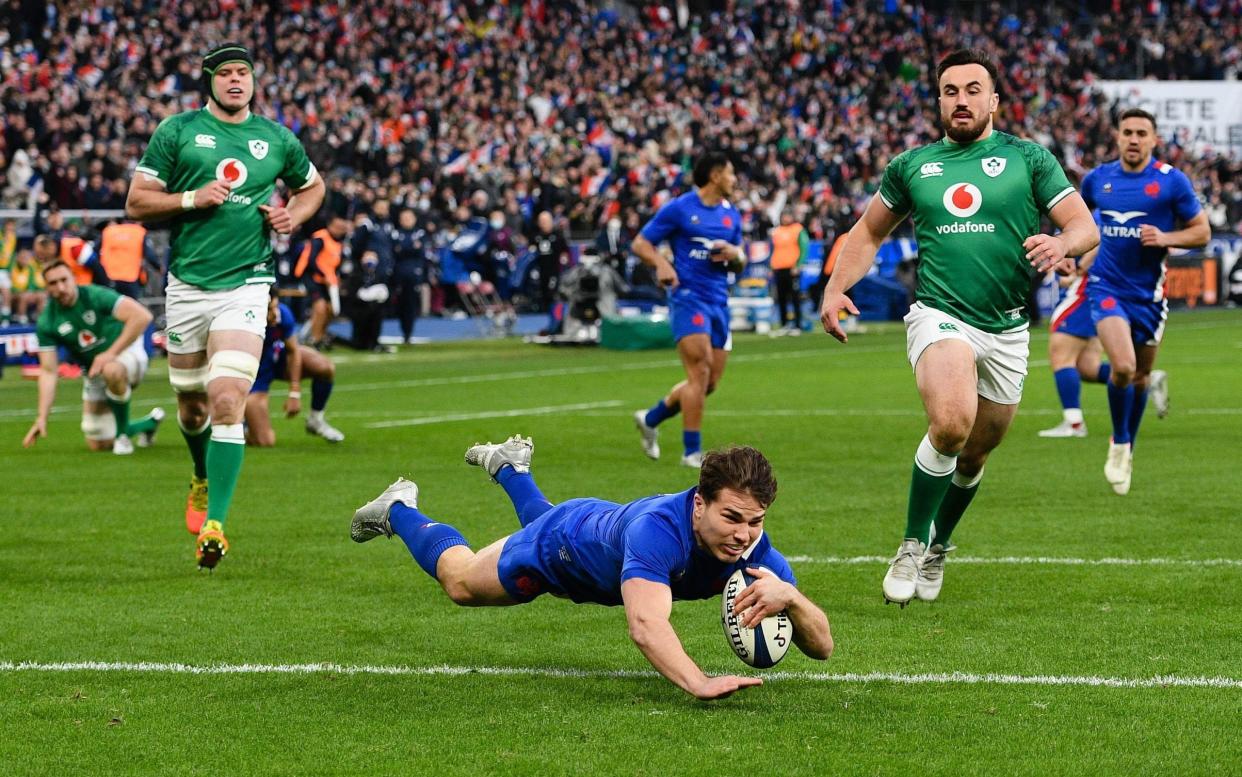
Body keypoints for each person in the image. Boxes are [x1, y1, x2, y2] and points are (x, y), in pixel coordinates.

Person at [818, 49, 1099, 606]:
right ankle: (910, 542)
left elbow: (1084, 226)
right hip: (939, 314)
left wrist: (1062, 242)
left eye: (974, 89)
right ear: (939, 100)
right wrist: (834, 288)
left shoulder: (1029, 159)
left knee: (973, 455)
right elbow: (868, 233)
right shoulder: (913, 167)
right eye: (951, 90)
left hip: (1008, 328)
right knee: (950, 425)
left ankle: (939, 544)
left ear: (994, 100)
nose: (962, 99)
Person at [350, 438, 832, 699]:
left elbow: (823, 646)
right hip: (561, 550)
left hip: (592, 526)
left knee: (544, 519)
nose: (743, 535)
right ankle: (399, 508)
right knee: (460, 582)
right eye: (731, 518)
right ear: (699, 504)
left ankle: (512, 467)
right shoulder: (660, 532)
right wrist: (699, 682)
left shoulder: (754, 550)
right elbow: (645, 625)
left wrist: (792, 598)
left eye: (755, 521)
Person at [125, 43, 326, 569]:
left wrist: (293, 215)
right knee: (191, 407)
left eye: (244, 73)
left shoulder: (277, 138)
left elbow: (313, 186)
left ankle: (215, 523)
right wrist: (192, 198)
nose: (237, 81)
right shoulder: (177, 131)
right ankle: (199, 473)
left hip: (248, 283)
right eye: (227, 74)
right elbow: (137, 202)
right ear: (210, 81)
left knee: (227, 399)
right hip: (188, 285)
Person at [1078, 108, 1210, 495]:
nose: (1134, 139)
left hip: (1149, 296)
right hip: (1105, 287)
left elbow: (1201, 231)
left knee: (1139, 377)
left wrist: (1168, 238)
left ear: (1154, 140)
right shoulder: (1097, 180)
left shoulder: (1171, 183)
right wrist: (1076, 258)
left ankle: (1127, 447)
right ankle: (1119, 442)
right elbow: (1081, 224)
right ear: (1117, 137)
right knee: (1122, 367)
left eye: (1142, 133)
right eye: (1127, 132)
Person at [631, 151, 745, 468]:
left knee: (709, 383)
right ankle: (691, 452)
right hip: (688, 297)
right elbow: (640, 243)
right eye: (731, 173)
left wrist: (734, 253)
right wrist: (662, 263)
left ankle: (651, 418)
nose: (734, 180)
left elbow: (742, 258)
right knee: (700, 371)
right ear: (715, 175)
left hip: (719, 302)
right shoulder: (681, 209)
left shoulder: (731, 215)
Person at [22, 258, 164, 454]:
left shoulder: (95, 295)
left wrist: (109, 354)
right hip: (94, 369)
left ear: (73, 278)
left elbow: (142, 317)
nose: (61, 287)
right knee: (99, 443)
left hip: (126, 352)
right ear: (47, 287)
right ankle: (150, 423)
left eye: (64, 280)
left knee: (112, 369)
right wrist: (41, 417)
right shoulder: (47, 321)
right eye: (53, 283)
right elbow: (48, 372)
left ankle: (123, 437)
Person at [245, 292, 343, 446]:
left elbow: (293, 350)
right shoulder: (241, 323)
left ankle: (315, 420)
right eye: (269, 310)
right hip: (252, 373)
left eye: (275, 306)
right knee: (264, 441)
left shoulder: (282, 314)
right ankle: (236, 426)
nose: (275, 314)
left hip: (275, 358)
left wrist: (294, 392)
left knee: (325, 367)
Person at [294, 214, 351, 348]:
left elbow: (338, 265)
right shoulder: (319, 238)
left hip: (328, 280)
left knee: (331, 310)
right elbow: (312, 260)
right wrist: (323, 275)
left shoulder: (340, 243)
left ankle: (321, 334)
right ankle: (315, 339)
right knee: (320, 308)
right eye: (338, 227)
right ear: (330, 225)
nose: (340, 230)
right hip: (312, 277)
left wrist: (336, 278)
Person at [390, 207, 430, 344]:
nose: (406, 220)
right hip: (399, 274)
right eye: (404, 218)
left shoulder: (420, 233)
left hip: (414, 274)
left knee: (412, 304)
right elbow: (395, 250)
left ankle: (408, 332)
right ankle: (404, 329)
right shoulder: (395, 233)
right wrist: (411, 247)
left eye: (409, 217)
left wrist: (404, 249)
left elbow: (421, 250)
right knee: (400, 304)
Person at [769, 210, 809, 333]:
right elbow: (774, 250)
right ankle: (784, 324)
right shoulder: (776, 231)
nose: (785, 218)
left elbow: (804, 247)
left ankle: (797, 325)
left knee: (795, 297)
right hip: (778, 268)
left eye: (788, 215)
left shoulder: (798, 229)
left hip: (792, 269)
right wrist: (771, 267)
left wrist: (799, 265)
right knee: (781, 298)